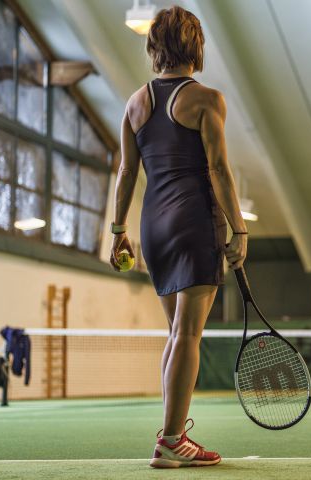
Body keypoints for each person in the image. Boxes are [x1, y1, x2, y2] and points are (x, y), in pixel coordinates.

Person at [110, 6, 247, 468]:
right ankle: (170, 441)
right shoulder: (207, 99)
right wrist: (240, 228)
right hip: (194, 222)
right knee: (189, 334)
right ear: (196, 46)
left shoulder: (134, 103)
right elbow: (219, 170)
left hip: (153, 228)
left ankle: (173, 435)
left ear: (155, 47)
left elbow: (127, 171)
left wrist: (118, 231)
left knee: (176, 333)